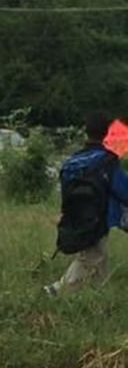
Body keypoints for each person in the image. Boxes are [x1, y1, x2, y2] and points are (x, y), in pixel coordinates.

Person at [45, 111, 128, 297]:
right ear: (108, 135)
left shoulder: (73, 161)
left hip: (76, 215)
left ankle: (100, 295)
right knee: (92, 256)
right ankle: (57, 290)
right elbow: (123, 190)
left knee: (99, 256)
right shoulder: (107, 161)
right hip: (100, 216)